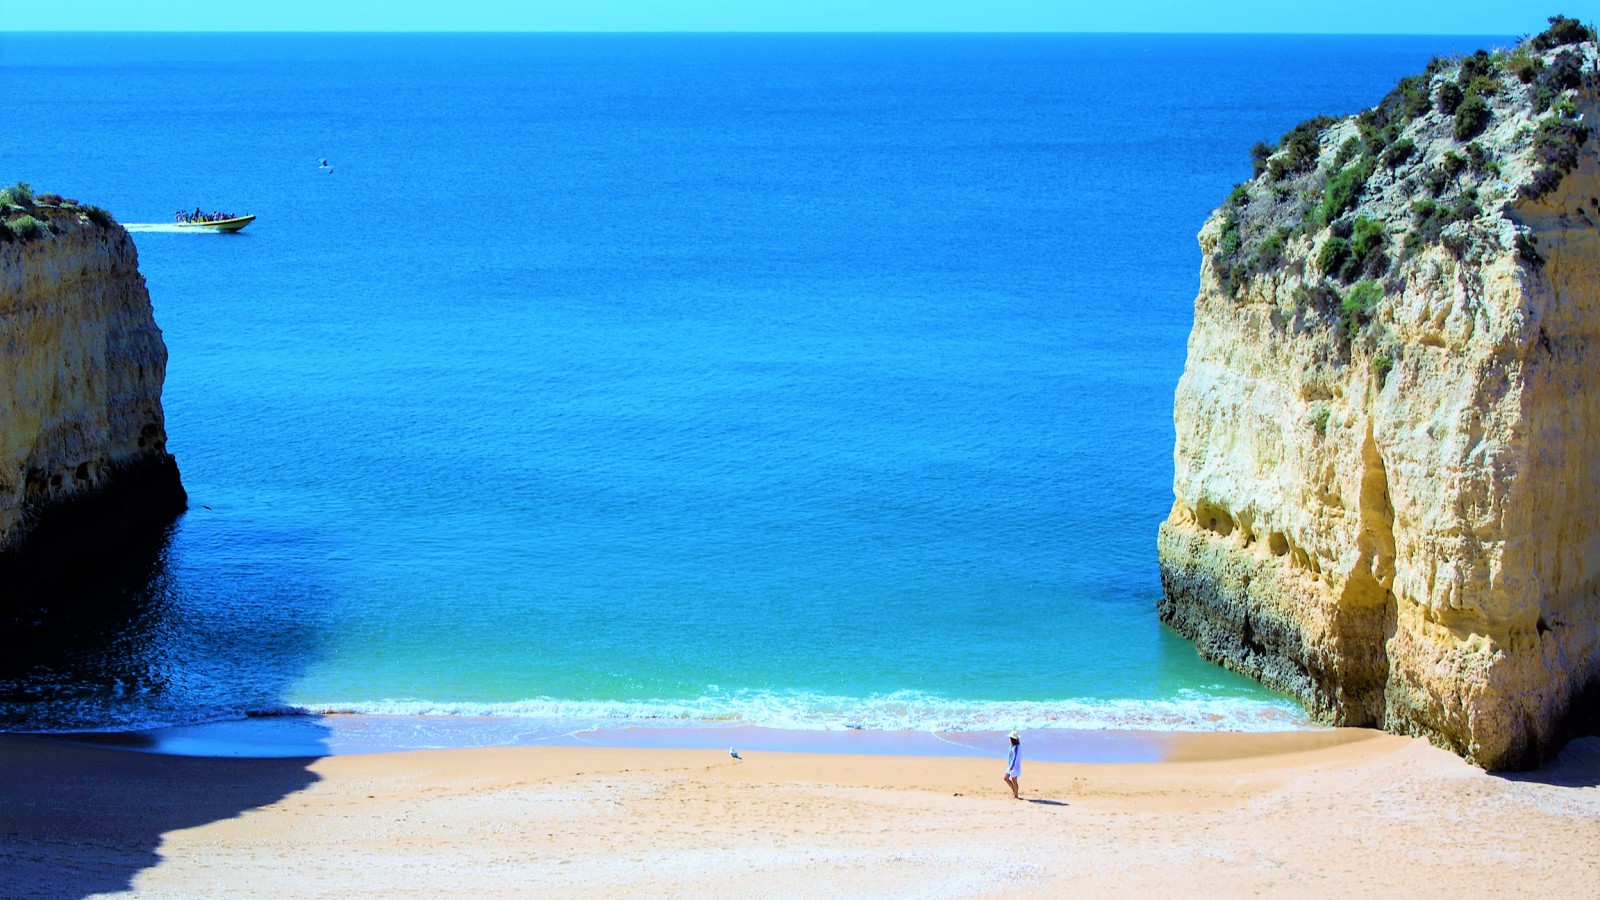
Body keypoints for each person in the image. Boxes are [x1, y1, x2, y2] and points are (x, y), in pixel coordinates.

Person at [1003, 730, 1021, 799]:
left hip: (1014, 766)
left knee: (1014, 781)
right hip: (1010, 765)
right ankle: (1014, 792)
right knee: (1006, 778)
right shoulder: (1012, 746)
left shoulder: (1016, 747)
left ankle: (1016, 795)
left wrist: (1012, 766)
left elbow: (1014, 757)